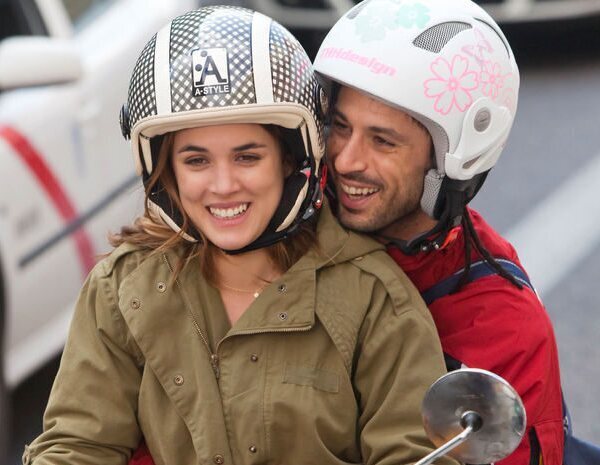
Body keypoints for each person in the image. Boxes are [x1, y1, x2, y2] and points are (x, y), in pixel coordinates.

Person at [22, 6, 455, 465]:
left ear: (290, 160)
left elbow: (414, 453)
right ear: (166, 171)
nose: (223, 185)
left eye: (247, 157)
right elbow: (77, 445)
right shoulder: (122, 290)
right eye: (196, 161)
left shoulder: (375, 299)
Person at [313, 1, 564, 464]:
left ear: (449, 158)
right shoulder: (284, 220)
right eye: (340, 127)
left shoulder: (503, 329)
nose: (346, 160)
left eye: (383, 141)